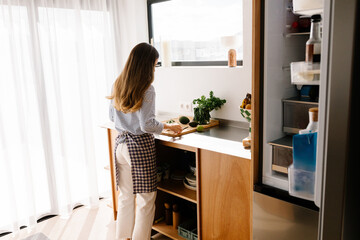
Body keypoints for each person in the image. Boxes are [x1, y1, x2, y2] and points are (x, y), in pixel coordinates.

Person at [107, 42, 182, 240]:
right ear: (146, 64)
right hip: (138, 148)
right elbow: (147, 125)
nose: (154, 69)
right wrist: (167, 126)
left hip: (120, 145)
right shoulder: (147, 88)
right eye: (154, 64)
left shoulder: (118, 83)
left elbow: (112, 117)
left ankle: (123, 238)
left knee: (125, 198)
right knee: (146, 200)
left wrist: (128, 122)